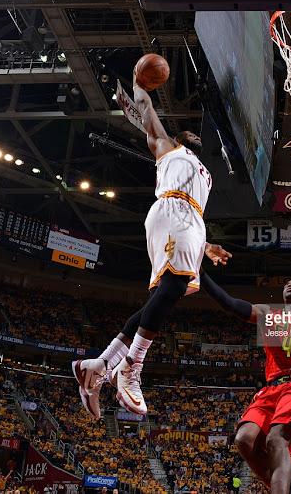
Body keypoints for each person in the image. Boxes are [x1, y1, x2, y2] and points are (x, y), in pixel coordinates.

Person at [72, 58, 231, 417]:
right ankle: (130, 368)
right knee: (172, 286)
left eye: (194, 136)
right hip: (171, 210)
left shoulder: (204, 175)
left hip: (192, 220)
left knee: (163, 298)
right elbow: (143, 110)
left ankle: (97, 365)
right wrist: (139, 84)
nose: (191, 134)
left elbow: (193, 215)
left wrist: (205, 246)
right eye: (186, 133)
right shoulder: (166, 147)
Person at [198, 275, 291, 494]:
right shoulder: (267, 314)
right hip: (271, 388)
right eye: (288, 284)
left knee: (276, 440)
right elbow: (230, 304)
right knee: (243, 439)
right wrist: (201, 276)